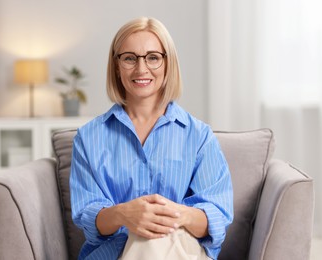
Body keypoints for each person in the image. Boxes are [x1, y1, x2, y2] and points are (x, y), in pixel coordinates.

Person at [70, 17, 233, 260]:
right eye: (129, 58)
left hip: (181, 250)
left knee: (154, 240)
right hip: (113, 255)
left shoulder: (199, 137)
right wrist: (124, 214)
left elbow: (215, 220)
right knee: (143, 240)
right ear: (116, 65)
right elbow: (89, 221)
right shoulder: (88, 138)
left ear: (168, 64)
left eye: (153, 57)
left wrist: (179, 214)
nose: (141, 69)